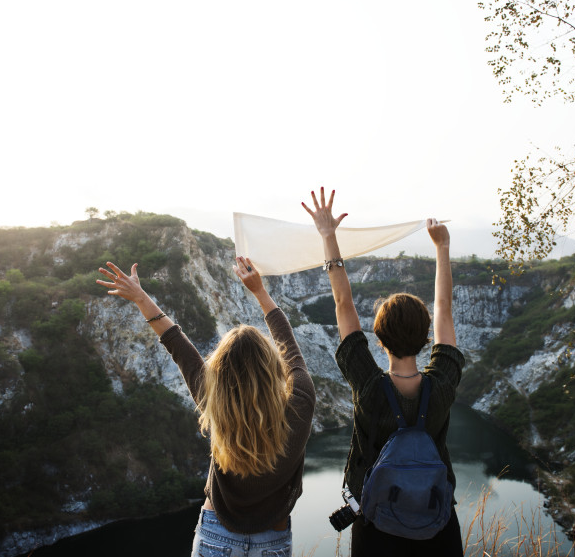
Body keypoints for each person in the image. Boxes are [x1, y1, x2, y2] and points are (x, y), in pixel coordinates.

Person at [96, 257, 315, 557]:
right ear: (272, 367)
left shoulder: (214, 401)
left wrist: (140, 297)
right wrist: (260, 292)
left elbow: (175, 342)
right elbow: (289, 346)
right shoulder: (301, 403)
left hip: (217, 534)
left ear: (220, 372)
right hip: (272, 540)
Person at [302, 187, 465, 557]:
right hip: (437, 522)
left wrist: (328, 237)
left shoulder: (369, 388)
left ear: (379, 338)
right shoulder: (441, 387)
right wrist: (442, 248)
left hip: (376, 525)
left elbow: (343, 304)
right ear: (426, 338)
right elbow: (444, 310)